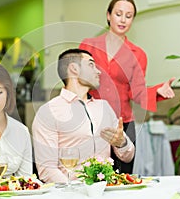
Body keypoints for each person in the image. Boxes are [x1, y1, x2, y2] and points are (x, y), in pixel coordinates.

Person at [79, 0, 175, 174]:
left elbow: (137, 93)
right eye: (118, 14)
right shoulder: (88, 46)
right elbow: (78, 81)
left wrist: (157, 91)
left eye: (128, 16)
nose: (123, 19)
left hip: (122, 125)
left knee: (121, 179)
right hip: (91, 122)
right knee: (89, 176)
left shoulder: (138, 54)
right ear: (108, 15)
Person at [32, 48, 135, 183]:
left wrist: (122, 143)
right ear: (74, 69)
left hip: (106, 191)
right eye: (91, 65)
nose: (98, 71)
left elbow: (128, 156)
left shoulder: (104, 107)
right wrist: (75, 192)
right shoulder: (48, 112)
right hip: (70, 196)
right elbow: (47, 169)